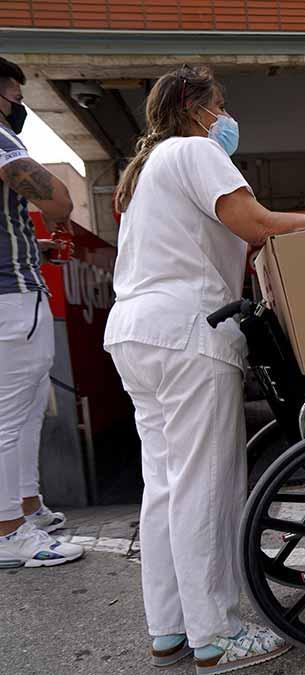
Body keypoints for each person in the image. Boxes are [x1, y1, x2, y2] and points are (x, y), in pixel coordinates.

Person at [104, 65, 305, 674]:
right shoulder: (195, 151)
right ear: (196, 109)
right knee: (206, 485)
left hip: (136, 334)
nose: (229, 118)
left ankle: (170, 631)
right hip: (188, 332)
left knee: (162, 486)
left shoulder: (146, 172)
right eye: (223, 106)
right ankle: (217, 634)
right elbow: (257, 225)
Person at [0, 57, 86, 569]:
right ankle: (10, 528)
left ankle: (26, 507)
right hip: (12, 299)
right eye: (13, 95)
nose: (19, 106)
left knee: (26, 408)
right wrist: (55, 203)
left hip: (13, 290)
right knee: (10, 416)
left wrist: (37, 247)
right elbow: (59, 200)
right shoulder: (3, 141)